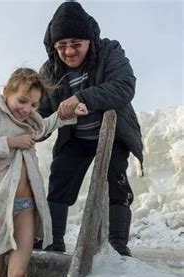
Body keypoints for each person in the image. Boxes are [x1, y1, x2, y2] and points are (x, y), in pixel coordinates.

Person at [0, 67, 88, 277]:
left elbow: (45, 127)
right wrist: (11, 142)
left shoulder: (31, 121)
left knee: (18, 275)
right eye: (22, 101)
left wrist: (68, 114)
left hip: (25, 207)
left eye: (33, 105)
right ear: (6, 93)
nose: (27, 109)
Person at [38, 2, 143, 257]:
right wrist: (30, 128)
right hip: (76, 136)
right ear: (54, 47)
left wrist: (81, 98)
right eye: (62, 46)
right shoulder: (50, 70)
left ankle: (116, 247)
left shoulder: (109, 51)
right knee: (60, 178)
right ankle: (55, 243)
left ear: (89, 40)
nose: (69, 51)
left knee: (116, 182)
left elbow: (124, 86)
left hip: (113, 132)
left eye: (76, 44)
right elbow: (41, 111)